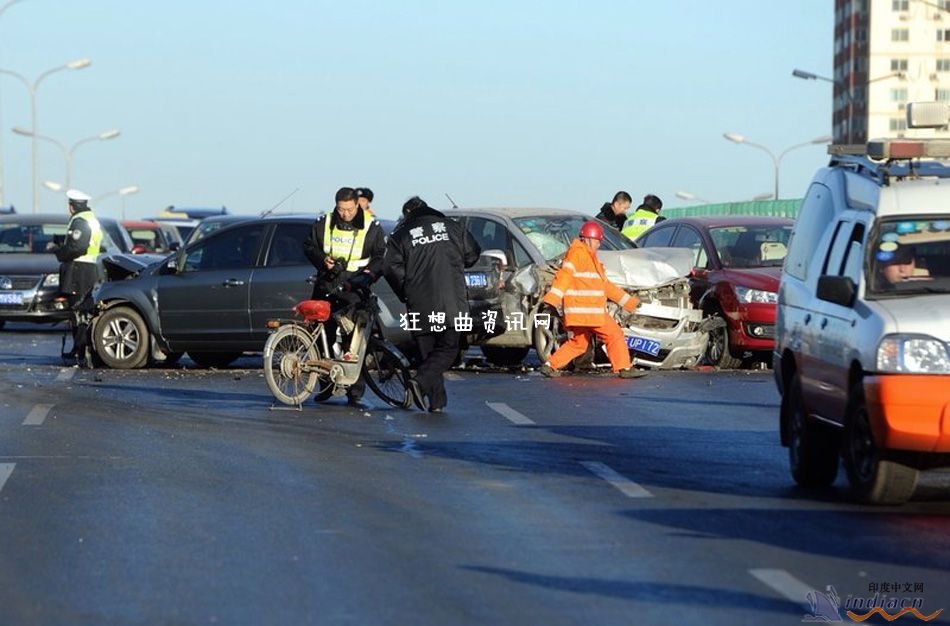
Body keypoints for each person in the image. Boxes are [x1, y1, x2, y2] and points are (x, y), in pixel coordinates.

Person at [385, 196, 481, 412]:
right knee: (449, 348)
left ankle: (436, 403)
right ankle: (420, 382)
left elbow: (390, 267)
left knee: (428, 353)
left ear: (408, 213)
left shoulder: (400, 235)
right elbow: (473, 253)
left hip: (419, 301)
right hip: (450, 298)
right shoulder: (453, 228)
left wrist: (405, 290)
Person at [303, 186, 386, 407]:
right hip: (327, 283)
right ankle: (326, 385)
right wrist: (322, 260)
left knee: (355, 339)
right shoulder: (325, 221)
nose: (345, 214)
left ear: (357, 205)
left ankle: (354, 390)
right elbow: (309, 246)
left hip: (355, 285)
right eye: (341, 209)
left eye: (349, 209)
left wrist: (369, 275)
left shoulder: (371, 226)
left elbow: (380, 256)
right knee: (322, 336)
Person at [539, 221, 645, 379]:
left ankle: (550, 365)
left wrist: (629, 302)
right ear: (589, 239)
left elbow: (605, 286)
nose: (598, 245)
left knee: (579, 343)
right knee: (614, 334)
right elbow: (564, 277)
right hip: (591, 311)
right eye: (597, 241)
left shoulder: (588, 257)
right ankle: (623, 368)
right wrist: (552, 300)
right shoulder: (578, 254)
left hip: (578, 312)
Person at [48, 189, 103, 362]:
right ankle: (80, 349)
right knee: (81, 310)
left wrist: (57, 250)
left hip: (79, 271)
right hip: (86, 270)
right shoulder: (90, 219)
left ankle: (82, 350)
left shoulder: (80, 221)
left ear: (72, 206)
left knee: (78, 311)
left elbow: (78, 247)